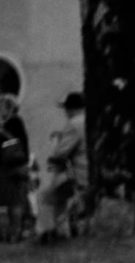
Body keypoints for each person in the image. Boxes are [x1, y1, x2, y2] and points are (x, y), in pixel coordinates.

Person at [38, 92, 88, 241]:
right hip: (89, 172)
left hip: (79, 173)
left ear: (70, 108)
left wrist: (53, 156)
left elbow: (61, 153)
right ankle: (61, 230)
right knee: (61, 197)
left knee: (47, 197)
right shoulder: (89, 120)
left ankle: (49, 231)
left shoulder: (74, 124)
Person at [0, 93, 30, 242]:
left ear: (9, 107)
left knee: (14, 203)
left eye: (1, 106)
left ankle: (14, 233)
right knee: (15, 202)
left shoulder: (11, 123)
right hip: (19, 166)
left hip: (10, 168)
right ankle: (14, 233)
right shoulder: (18, 123)